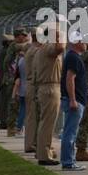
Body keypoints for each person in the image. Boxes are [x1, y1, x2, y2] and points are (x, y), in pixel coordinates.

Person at [29, 19, 66, 165]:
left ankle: (45, 151)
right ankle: (44, 155)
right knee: (47, 123)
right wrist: (61, 34)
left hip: (45, 88)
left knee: (45, 122)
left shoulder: (41, 49)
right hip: (51, 87)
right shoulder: (49, 48)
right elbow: (60, 48)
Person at [60, 33, 88, 171]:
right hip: (75, 100)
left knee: (70, 131)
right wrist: (72, 99)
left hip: (76, 99)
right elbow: (69, 79)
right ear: (76, 42)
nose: (86, 43)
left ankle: (69, 160)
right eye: (83, 41)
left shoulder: (73, 57)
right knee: (70, 132)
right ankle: (68, 162)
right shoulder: (73, 57)